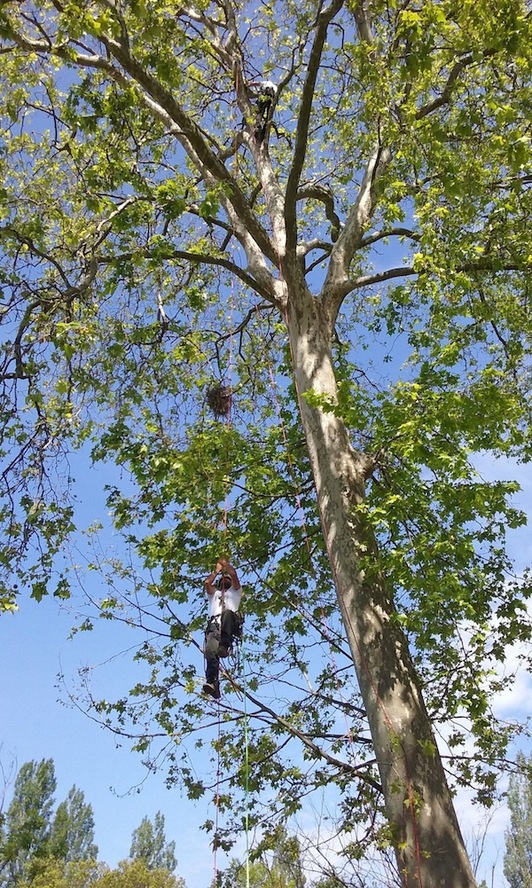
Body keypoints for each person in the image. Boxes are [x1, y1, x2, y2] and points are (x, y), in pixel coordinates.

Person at [203, 557, 243, 699]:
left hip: (229, 623)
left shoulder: (236, 592)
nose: (225, 580)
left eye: (227, 579)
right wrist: (216, 571)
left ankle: (225, 645)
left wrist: (226, 565)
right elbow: (207, 582)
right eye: (222, 579)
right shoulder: (215, 594)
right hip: (214, 626)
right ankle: (212, 681)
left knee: (227, 613)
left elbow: (234, 575)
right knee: (209, 651)